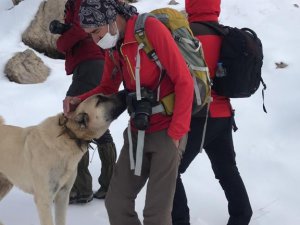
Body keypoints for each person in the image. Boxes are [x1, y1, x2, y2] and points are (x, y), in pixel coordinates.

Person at [63, 0, 194, 224]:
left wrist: (176, 134)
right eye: (90, 35)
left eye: (96, 32)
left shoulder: (149, 29)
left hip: (167, 131)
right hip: (137, 131)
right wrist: (79, 99)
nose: (95, 41)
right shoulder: (114, 46)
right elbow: (108, 88)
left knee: (156, 214)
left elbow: (184, 81)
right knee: (117, 203)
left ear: (112, 19)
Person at [171, 0, 253, 224]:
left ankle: (179, 221)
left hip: (196, 118)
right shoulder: (226, 35)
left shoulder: (186, 37)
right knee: (227, 169)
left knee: (169, 172)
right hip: (224, 116)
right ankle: (242, 215)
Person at [55, 0, 117, 203]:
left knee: (73, 122)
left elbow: (80, 31)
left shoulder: (82, 2)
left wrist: (63, 39)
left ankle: (81, 189)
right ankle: (110, 184)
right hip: (94, 63)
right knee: (95, 124)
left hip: (90, 64)